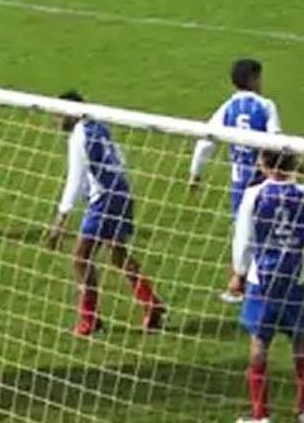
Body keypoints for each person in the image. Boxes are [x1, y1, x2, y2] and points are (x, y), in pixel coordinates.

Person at [234, 149, 304, 423]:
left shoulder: (254, 195)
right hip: (295, 280)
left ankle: (260, 416)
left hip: (262, 282)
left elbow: (244, 238)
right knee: (300, 343)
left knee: (259, 345)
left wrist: (239, 273)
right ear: (292, 164)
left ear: (262, 163)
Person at [45, 91, 165, 336]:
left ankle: (90, 319)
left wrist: (60, 221)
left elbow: (75, 180)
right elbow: (120, 158)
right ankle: (151, 302)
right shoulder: (99, 125)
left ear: (70, 112)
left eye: (59, 116)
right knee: (118, 253)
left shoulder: (78, 135)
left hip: (104, 199)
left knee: (80, 258)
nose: (57, 122)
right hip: (121, 192)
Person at [189, 59, 281, 303]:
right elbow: (275, 141)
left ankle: (241, 283)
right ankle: (250, 283)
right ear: (253, 79)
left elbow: (206, 140)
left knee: (242, 233)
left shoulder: (227, 107)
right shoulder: (265, 105)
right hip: (264, 181)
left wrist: (195, 172)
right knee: (264, 232)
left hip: (239, 183)